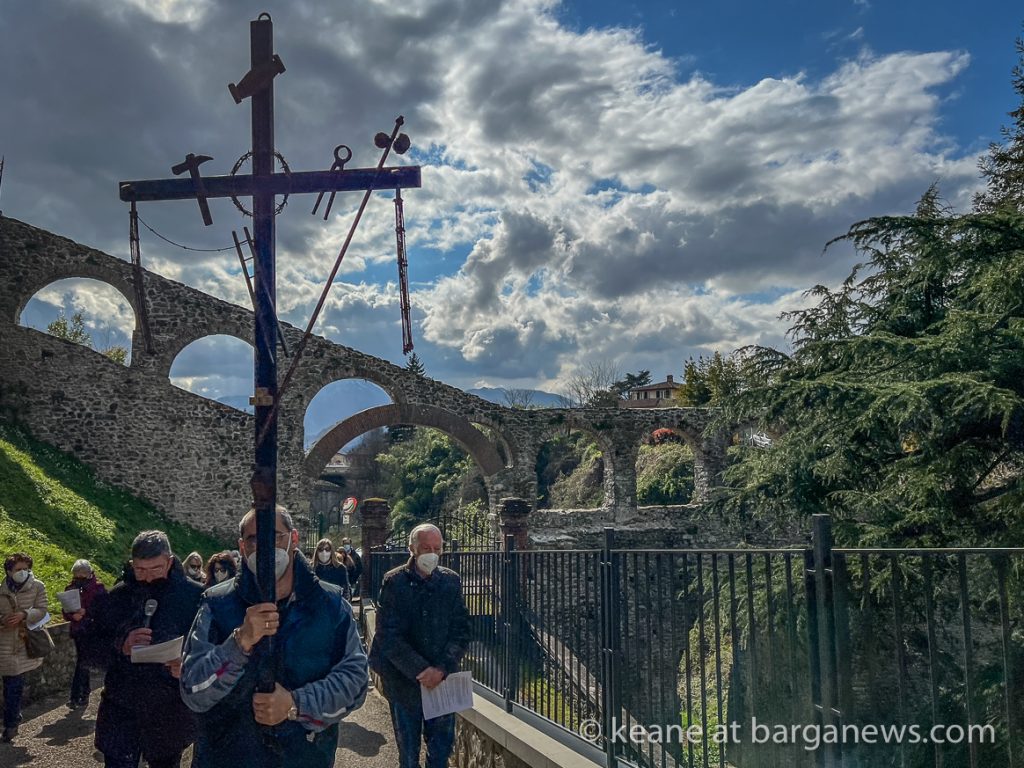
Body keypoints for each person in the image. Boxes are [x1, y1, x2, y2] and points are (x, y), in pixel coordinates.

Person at [180, 505, 369, 768]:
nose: (265, 546)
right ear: (242, 546)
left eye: (275, 536)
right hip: (225, 757)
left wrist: (295, 705)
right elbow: (192, 689)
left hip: (304, 757)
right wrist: (238, 643)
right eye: (253, 539)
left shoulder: (330, 604)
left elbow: (356, 681)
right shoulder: (216, 604)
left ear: (293, 539)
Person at [82, 531, 203, 768]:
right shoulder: (118, 596)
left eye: (155, 569)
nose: (147, 578)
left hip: (168, 710)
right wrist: (121, 645)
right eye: (140, 570)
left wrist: (187, 664)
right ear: (131, 565)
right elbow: (89, 650)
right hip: (121, 707)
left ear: (169, 561)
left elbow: (211, 650)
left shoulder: (194, 596)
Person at [369, 524, 471, 768]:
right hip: (404, 682)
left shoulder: (450, 582)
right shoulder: (394, 582)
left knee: (440, 753)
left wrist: (442, 668)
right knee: (408, 754)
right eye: (426, 548)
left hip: (443, 682)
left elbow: (462, 629)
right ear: (412, 549)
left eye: (437, 548)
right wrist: (420, 669)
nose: (432, 554)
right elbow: (388, 635)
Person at [0, 553, 49, 743]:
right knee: (10, 684)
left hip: (23, 642)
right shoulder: (2, 589)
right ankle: (13, 716)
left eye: (25, 569)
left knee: (14, 684)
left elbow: (42, 610)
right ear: (8, 571)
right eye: (17, 569)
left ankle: (11, 724)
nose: (22, 573)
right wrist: (4, 621)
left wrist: (24, 614)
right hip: (4, 642)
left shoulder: (37, 586)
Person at [62, 559, 106, 709]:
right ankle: (84, 693)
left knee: (82, 662)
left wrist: (86, 613)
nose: (79, 578)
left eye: (82, 575)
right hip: (78, 630)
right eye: (76, 575)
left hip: (91, 629)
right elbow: (65, 611)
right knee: (83, 661)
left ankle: (76, 696)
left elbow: (103, 609)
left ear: (89, 574)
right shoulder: (70, 588)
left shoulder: (98, 588)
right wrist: (72, 616)